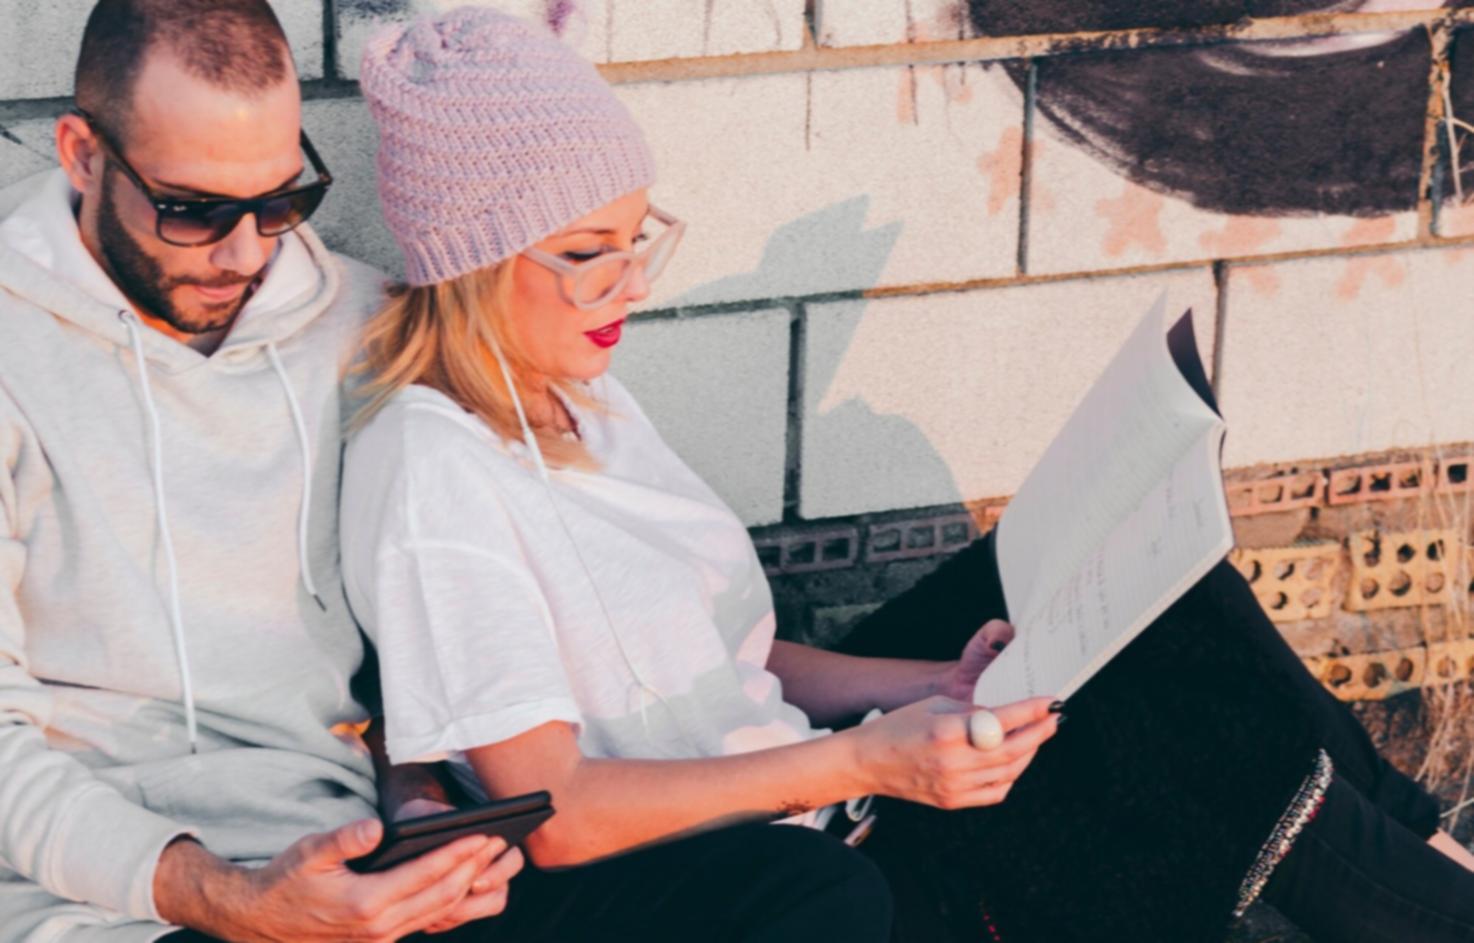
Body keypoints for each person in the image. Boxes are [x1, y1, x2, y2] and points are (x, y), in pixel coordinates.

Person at [342, 8, 1474, 943]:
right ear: (469, 267)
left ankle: (1431, 849)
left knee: (1154, 589)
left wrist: (931, 681)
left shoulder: (579, 392)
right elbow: (563, 816)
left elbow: (724, 651)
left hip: (830, 776)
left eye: (639, 239)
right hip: (791, 866)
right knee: (1191, 749)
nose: (631, 284)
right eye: (587, 255)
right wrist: (863, 755)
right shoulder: (433, 474)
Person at [0, 2, 890, 941]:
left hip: (355, 866)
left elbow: (405, 651)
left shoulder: (356, 325)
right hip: (124, 901)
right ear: (82, 153)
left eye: (281, 202)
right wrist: (226, 895)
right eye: (193, 211)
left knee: (803, 890)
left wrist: (419, 806)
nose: (246, 252)